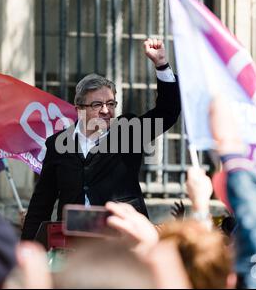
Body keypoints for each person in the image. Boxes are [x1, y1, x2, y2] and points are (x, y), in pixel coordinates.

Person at [21, 38, 181, 240]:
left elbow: (168, 111)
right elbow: (41, 204)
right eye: (97, 104)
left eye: (111, 103)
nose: (106, 110)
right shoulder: (57, 144)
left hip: (122, 241)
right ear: (79, 108)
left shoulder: (128, 132)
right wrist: (27, 250)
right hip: (73, 243)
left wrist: (161, 65)